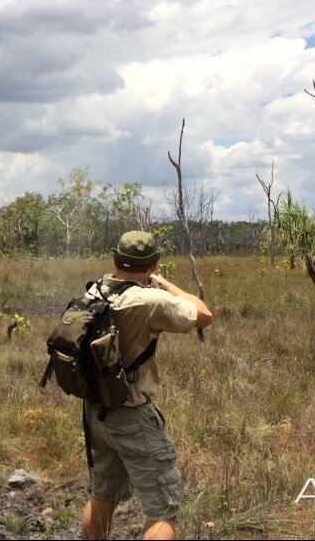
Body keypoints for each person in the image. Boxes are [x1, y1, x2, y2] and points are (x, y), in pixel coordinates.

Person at [80, 230, 213, 540]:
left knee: (103, 494)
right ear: (153, 264)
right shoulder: (149, 300)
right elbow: (204, 315)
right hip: (131, 414)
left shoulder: (95, 292)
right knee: (163, 510)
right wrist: (164, 283)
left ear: (115, 260)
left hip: (97, 411)